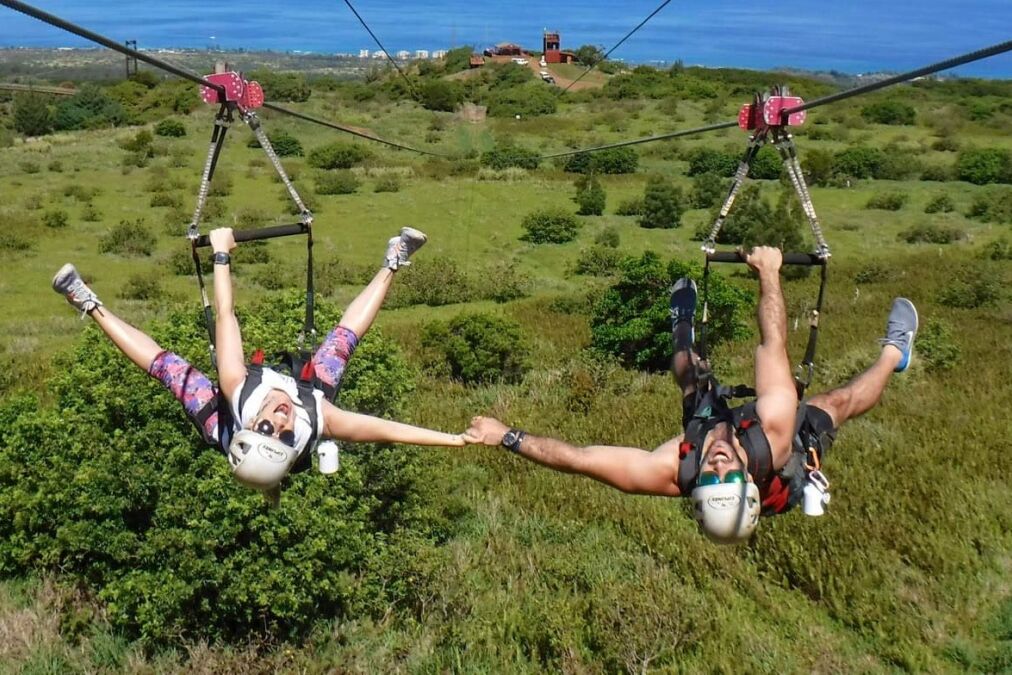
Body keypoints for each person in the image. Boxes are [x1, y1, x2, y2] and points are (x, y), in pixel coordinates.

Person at [464, 246, 918, 544]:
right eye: (730, 476)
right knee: (836, 404)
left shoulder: (670, 471)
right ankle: (896, 353)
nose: (718, 465)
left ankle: (681, 318)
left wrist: (506, 436)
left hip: (719, 427)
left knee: (690, 376)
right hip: (786, 445)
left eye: (710, 477)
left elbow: (579, 459)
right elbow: (772, 344)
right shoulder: (775, 437)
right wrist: (769, 274)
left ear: (694, 487)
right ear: (747, 479)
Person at [53, 226, 465, 497]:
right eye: (284, 435)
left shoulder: (237, 392)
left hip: (222, 420)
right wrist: (456, 440)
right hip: (309, 396)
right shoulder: (319, 420)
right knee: (341, 342)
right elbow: (392, 431)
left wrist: (220, 253)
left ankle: (86, 302)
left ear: (252, 424)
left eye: (267, 427)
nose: (281, 421)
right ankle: (394, 259)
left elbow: (225, 315)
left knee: (170, 369)